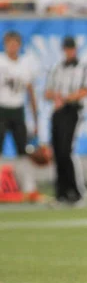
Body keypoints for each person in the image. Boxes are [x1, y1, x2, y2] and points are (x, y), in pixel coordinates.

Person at [44, 36, 87, 205]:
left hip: (73, 111)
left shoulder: (84, 67)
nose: (69, 51)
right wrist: (57, 98)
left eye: (71, 48)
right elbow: (47, 92)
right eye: (67, 48)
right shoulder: (57, 68)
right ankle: (61, 192)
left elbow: (85, 90)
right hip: (58, 112)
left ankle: (76, 191)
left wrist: (65, 98)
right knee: (58, 152)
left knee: (66, 150)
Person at [0, 30, 40, 201]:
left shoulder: (25, 63)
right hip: (1, 109)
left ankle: (29, 188)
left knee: (23, 152)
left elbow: (30, 91)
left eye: (15, 43)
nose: (12, 47)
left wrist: (35, 117)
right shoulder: (1, 61)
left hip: (17, 110)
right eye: (10, 43)